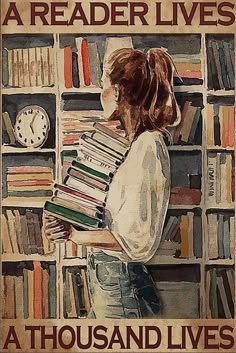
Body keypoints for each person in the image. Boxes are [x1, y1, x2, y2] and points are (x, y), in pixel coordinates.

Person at [44, 47, 181, 318]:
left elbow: (135, 241)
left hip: (122, 286)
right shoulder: (130, 145)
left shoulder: (148, 147)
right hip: (111, 283)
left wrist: (73, 235)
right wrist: (64, 223)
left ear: (117, 92)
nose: (100, 93)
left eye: (103, 85)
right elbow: (114, 221)